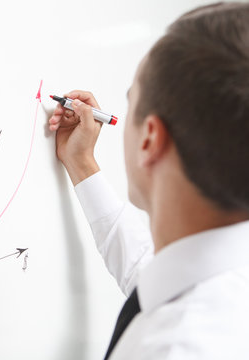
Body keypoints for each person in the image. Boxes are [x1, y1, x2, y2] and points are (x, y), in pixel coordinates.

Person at [48, 2, 249, 359]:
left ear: (149, 139)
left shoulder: (175, 347)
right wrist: (81, 161)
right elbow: (148, 271)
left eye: (132, 103)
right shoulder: (223, 280)